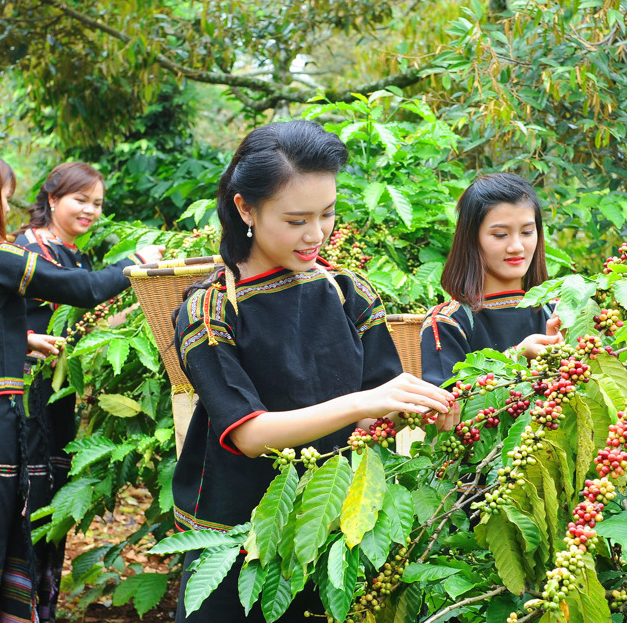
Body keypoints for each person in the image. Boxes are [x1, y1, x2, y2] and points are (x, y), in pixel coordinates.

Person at [171, 120, 460, 622]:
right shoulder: (210, 310)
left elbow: (378, 408)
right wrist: (363, 404)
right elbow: (250, 434)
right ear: (245, 208)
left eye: (327, 214)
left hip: (337, 526)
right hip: (238, 537)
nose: (316, 234)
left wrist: (424, 411)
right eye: (296, 219)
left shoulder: (348, 291)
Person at [0, 147, 156, 623]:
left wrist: (21, 341)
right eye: (3, 198)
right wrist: (137, 260)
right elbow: (85, 290)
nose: (7, 209)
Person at [13, 161, 163, 622]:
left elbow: (89, 322)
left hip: (61, 394)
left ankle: (44, 604)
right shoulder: (26, 250)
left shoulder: (76, 255)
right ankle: (15, 605)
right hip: (25, 390)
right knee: (32, 493)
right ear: (53, 198)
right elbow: (88, 293)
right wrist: (134, 265)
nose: (91, 210)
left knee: (56, 489)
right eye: (81, 199)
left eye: (97, 203)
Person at [420, 173, 562, 388]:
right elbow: (445, 406)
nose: (516, 246)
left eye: (527, 232)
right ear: (471, 239)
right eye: (500, 235)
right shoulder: (448, 321)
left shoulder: (557, 312)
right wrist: (515, 356)